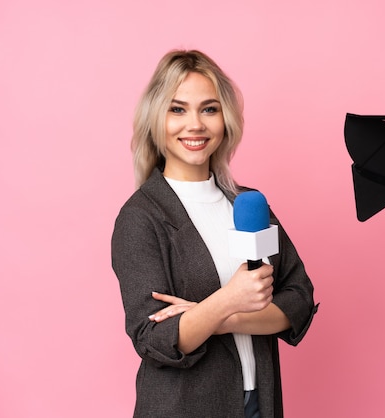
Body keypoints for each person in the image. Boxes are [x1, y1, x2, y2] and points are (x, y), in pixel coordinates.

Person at [111, 49, 318, 418]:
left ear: (226, 120)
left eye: (209, 109)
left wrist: (221, 317)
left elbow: (298, 300)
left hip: (258, 404)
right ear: (156, 120)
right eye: (177, 109)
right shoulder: (141, 217)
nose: (195, 125)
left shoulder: (249, 206)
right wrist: (229, 299)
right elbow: (155, 338)